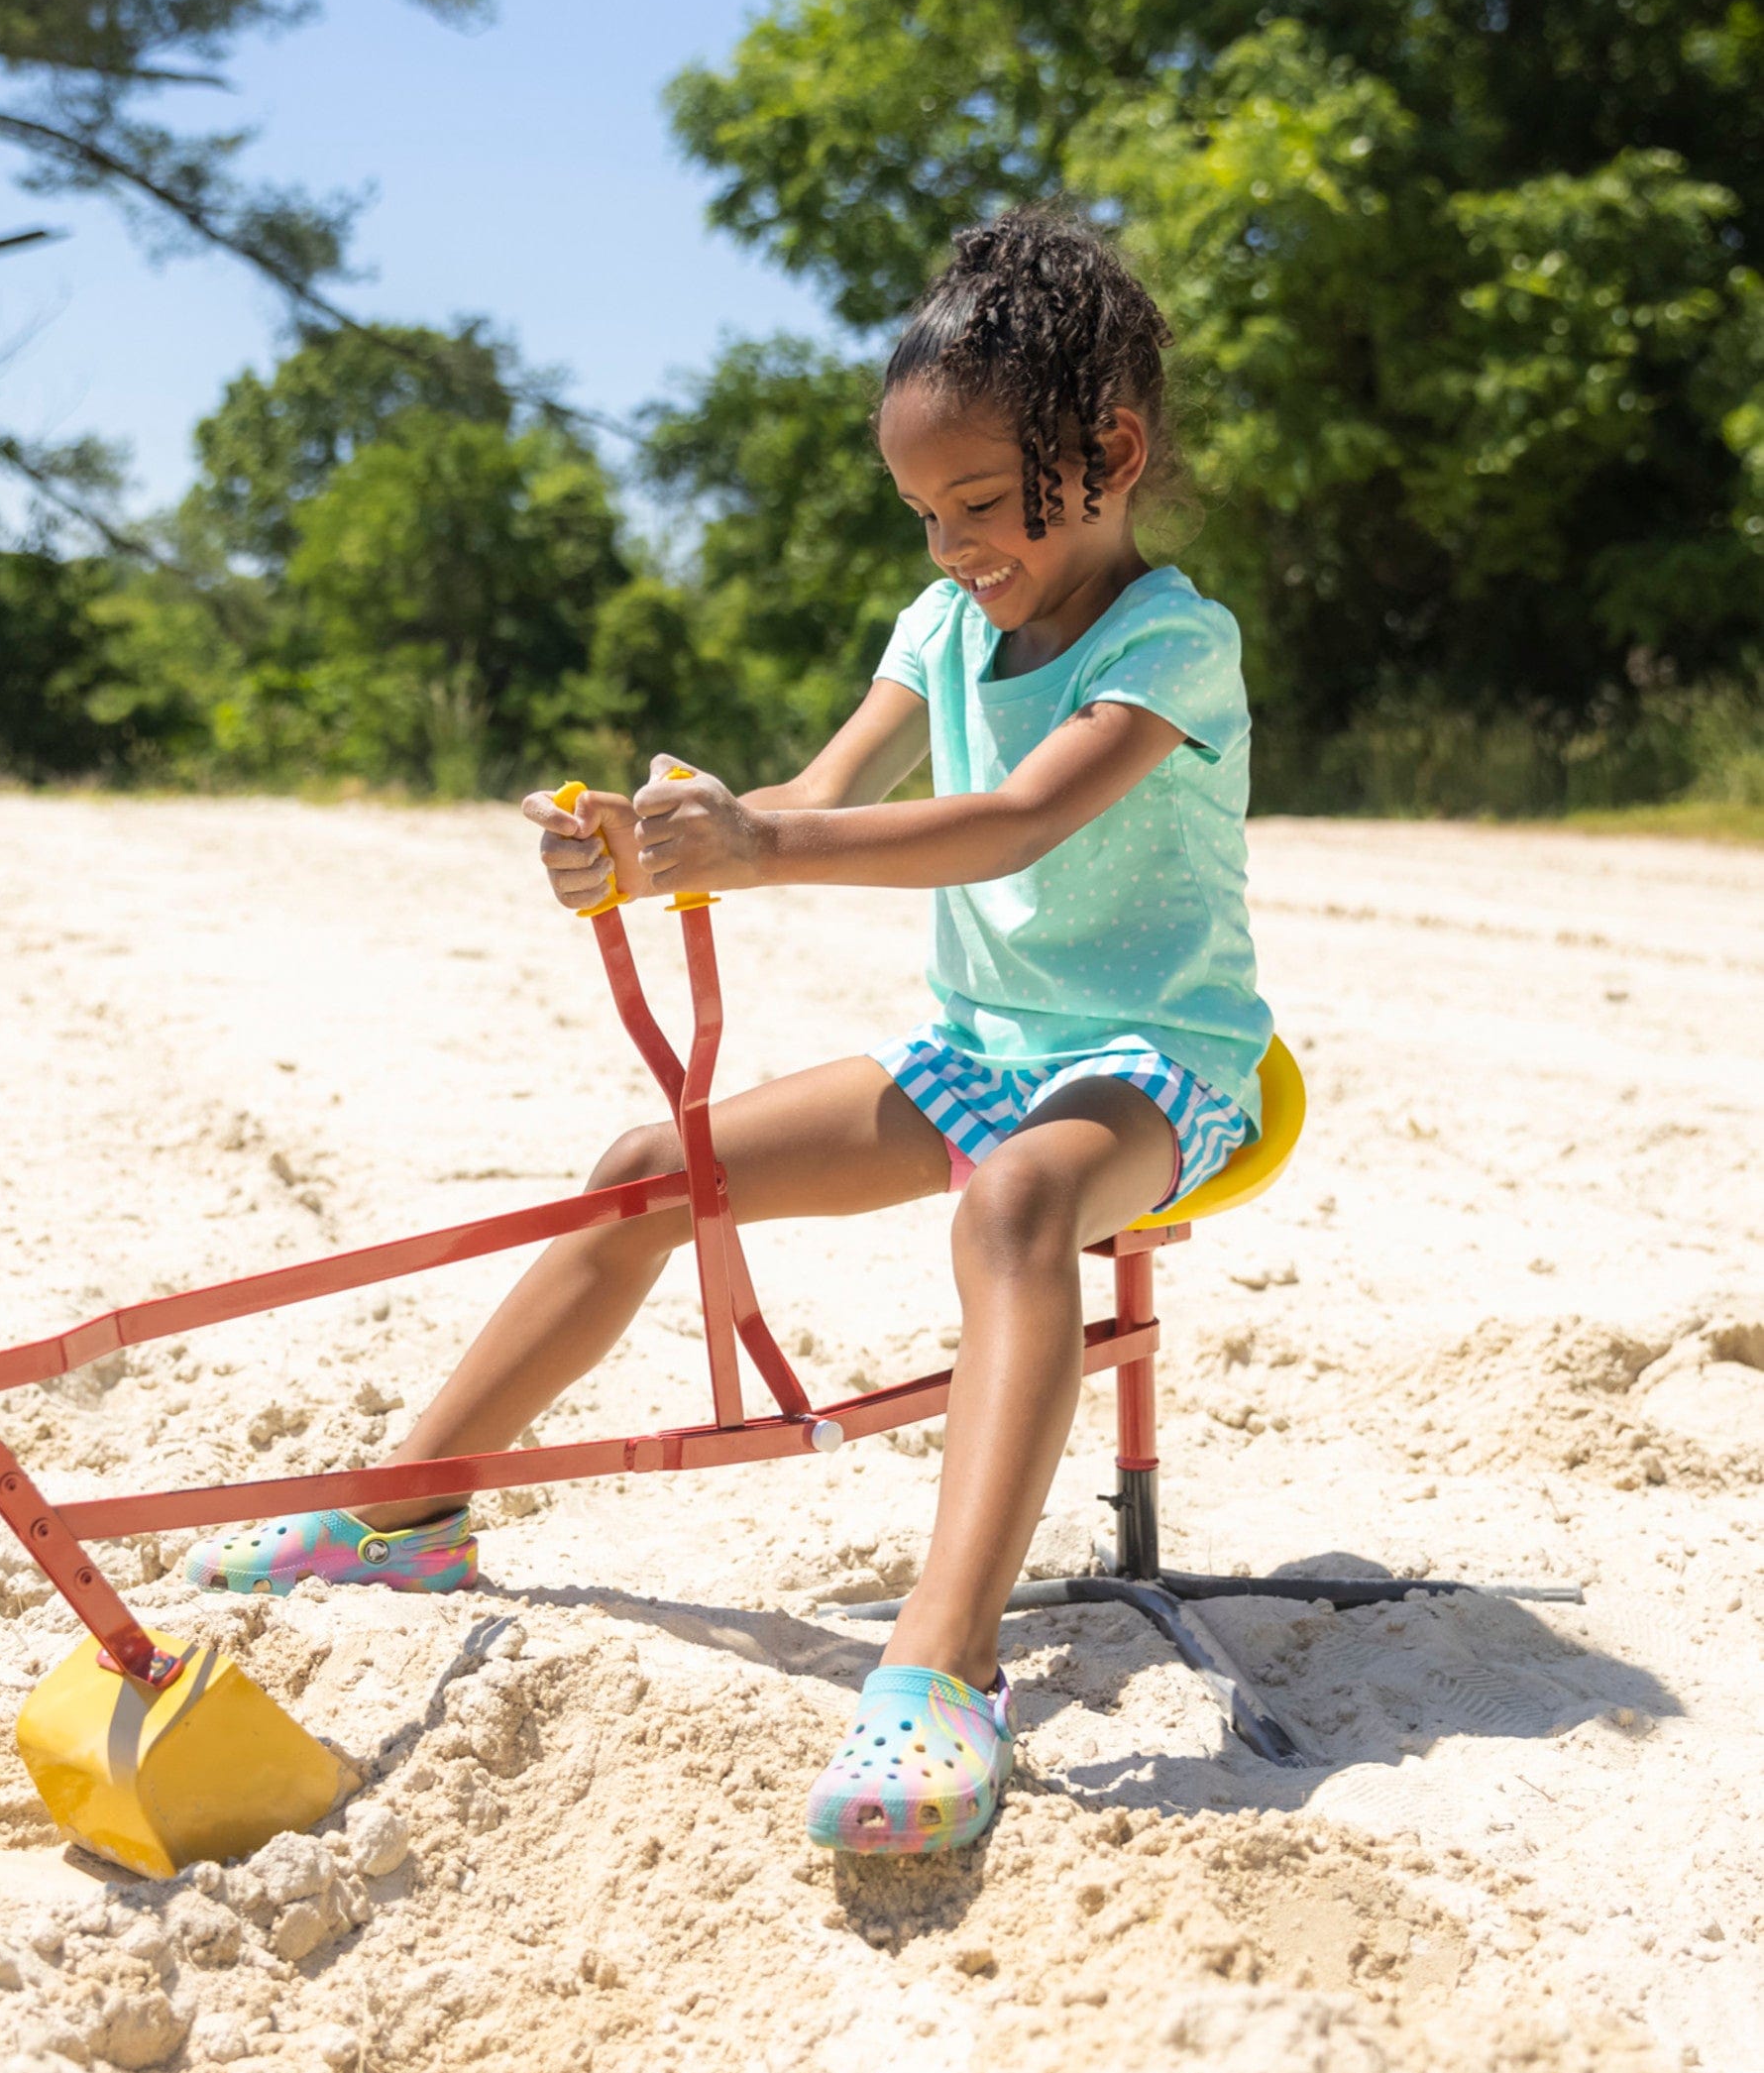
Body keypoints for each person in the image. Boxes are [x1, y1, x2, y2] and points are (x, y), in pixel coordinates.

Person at [185, 204, 1272, 1856]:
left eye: (978, 504)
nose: (949, 546)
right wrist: (652, 843)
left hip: (1163, 1068)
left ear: (1108, 452)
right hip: (979, 1051)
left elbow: (1016, 822)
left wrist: (769, 850)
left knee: (1018, 1203)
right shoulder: (942, 630)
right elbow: (816, 798)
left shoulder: (1173, 640)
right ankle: (410, 1505)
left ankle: (940, 1666)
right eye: (921, 513)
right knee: (643, 1169)